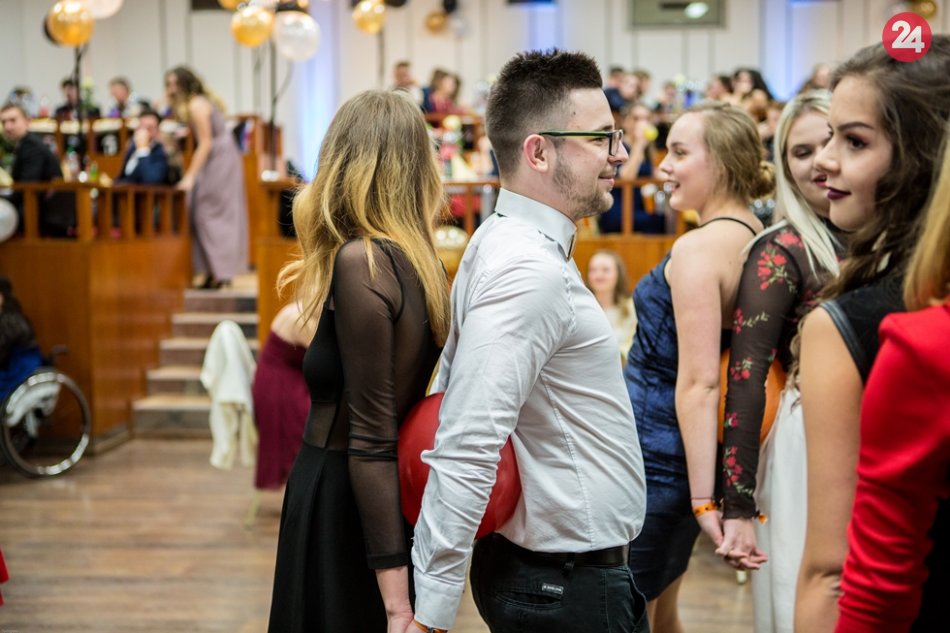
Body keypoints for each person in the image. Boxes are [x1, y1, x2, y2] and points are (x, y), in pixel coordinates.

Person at [410, 49, 648, 633]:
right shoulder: (527, 268)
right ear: (539, 152)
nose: (618, 154)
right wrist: (432, 612)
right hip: (563, 588)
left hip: (559, 577)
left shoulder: (509, 240)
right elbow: (468, 436)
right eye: (601, 138)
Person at [266, 89, 451, 633]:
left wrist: (397, 604)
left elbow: (370, 437)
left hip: (343, 504)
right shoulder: (425, 267)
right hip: (388, 503)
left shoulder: (363, 262)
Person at [795, 35, 950, 633]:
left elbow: (831, 574)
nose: (823, 162)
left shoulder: (850, 328)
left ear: (921, 159)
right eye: (827, 137)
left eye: (854, 141)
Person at [625, 101, 772, 632]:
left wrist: (706, 500)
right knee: (664, 612)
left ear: (723, 163)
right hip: (686, 458)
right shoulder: (759, 235)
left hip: (656, 462)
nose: (664, 166)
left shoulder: (698, 250)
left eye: (680, 153)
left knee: (630, 614)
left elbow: (701, 383)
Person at [716, 91, 843, 633]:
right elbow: (745, 378)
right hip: (805, 441)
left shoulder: (895, 237)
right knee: (803, 597)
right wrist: (737, 506)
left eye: (833, 141)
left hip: (886, 432)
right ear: (786, 168)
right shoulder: (782, 249)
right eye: (801, 152)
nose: (820, 162)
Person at [834, 124, 950, 633]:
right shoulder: (924, 345)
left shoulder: (926, 347)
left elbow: (872, 594)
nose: (827, 161)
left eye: (855, 141)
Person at [164, 66, 248, 289]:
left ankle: (220, 272)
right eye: (168, 84)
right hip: (221, 156)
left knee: (208, 211)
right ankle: (215, 271)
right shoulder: (198, 103)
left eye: (174, 84)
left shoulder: (196, 105)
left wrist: (190, 177)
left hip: (218, 159)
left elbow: (206, 142)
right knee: (207, 212)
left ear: (183, 84)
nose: (170, 89)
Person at [251, 302, 316, 490]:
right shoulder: (300, 318)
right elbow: (326, 355)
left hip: (287, 377)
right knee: (314, 422)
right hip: (277, 385)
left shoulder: (302, 309)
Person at [0, 102, 64, 233]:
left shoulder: (31, 146)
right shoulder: (26, 144)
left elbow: (27, 187)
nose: (7, 126)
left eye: (13, 120)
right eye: (3, 122)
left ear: (27, 121)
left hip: (41, 216)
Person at [586, 249, 637, 363]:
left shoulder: (632, 308)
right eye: (593, 270)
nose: (598, 275)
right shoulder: (582, 309)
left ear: (618, 274)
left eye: (605, 270)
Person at [0, 275, 42, 402]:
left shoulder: (9, 319)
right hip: (15, 362)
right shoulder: (10, 314)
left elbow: (2, 348)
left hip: (21, 364)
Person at [116, 109, 169, 185]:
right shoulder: (133, 148)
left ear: (158, 131)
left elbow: (150, 181)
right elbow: (125, 177)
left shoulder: (160, 152)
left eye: (149, 128)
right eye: (141, 127)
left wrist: (143, 150)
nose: (144, 131)